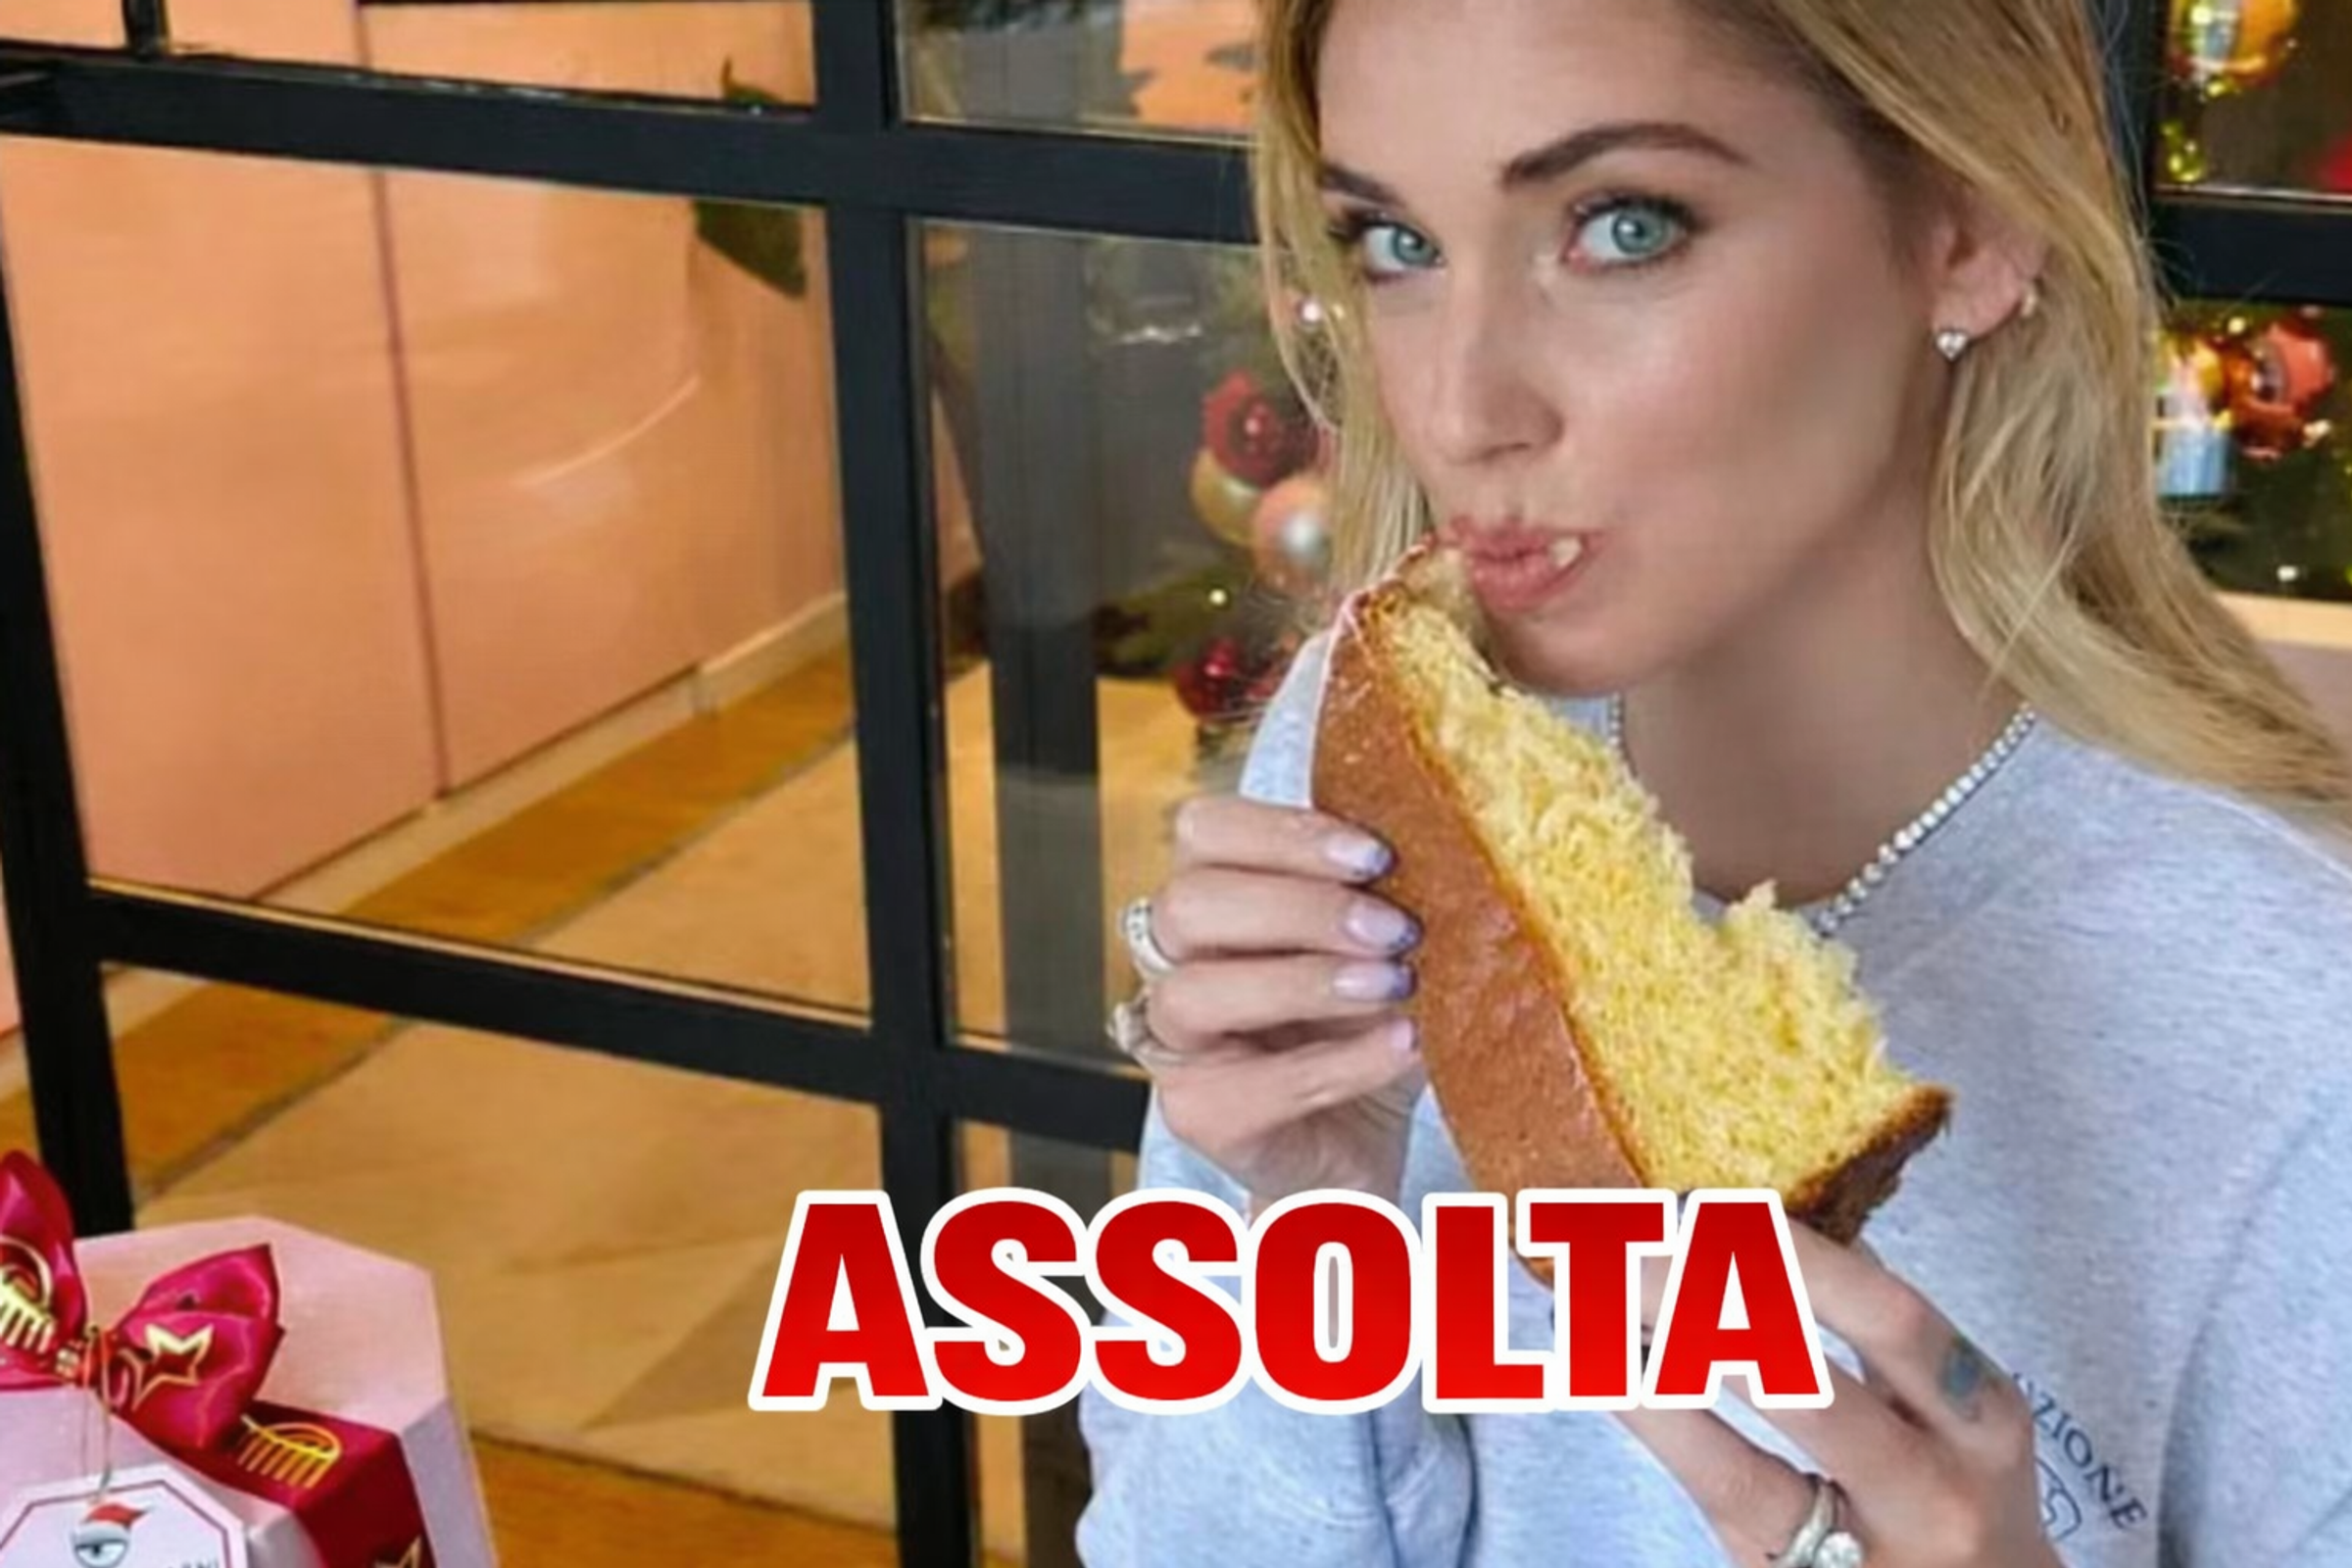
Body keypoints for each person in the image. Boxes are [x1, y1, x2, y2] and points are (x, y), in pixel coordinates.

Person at [1073, 1, 2352, 1565]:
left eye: (1623, 226)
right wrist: (1307, 1241)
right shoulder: (1371, 761)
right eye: (1395, 246)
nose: (1462, 412)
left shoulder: (2300, 1029)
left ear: (1967, 227)